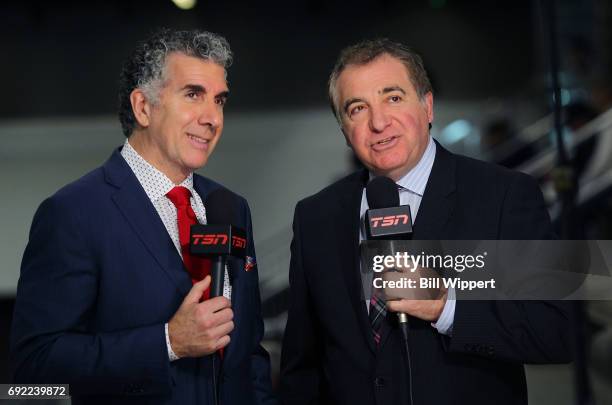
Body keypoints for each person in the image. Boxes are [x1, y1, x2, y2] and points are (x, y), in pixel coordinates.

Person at [280, 39, 571, 405]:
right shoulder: (314, 216)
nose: (378, 121)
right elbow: (301, 366)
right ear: (344, 129)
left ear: (428, 105)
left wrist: (446, 306)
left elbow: (561, 329)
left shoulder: (506, 194)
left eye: (394, 98)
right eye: (357, 108)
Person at [10, 28, 275, 405]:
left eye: (219, 100)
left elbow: (249, 356)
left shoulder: (231, 207)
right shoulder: (73, 212)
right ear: (143, 107)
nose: (212, 117)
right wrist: (168, 342)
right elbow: (33, 372)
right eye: (193, 94)